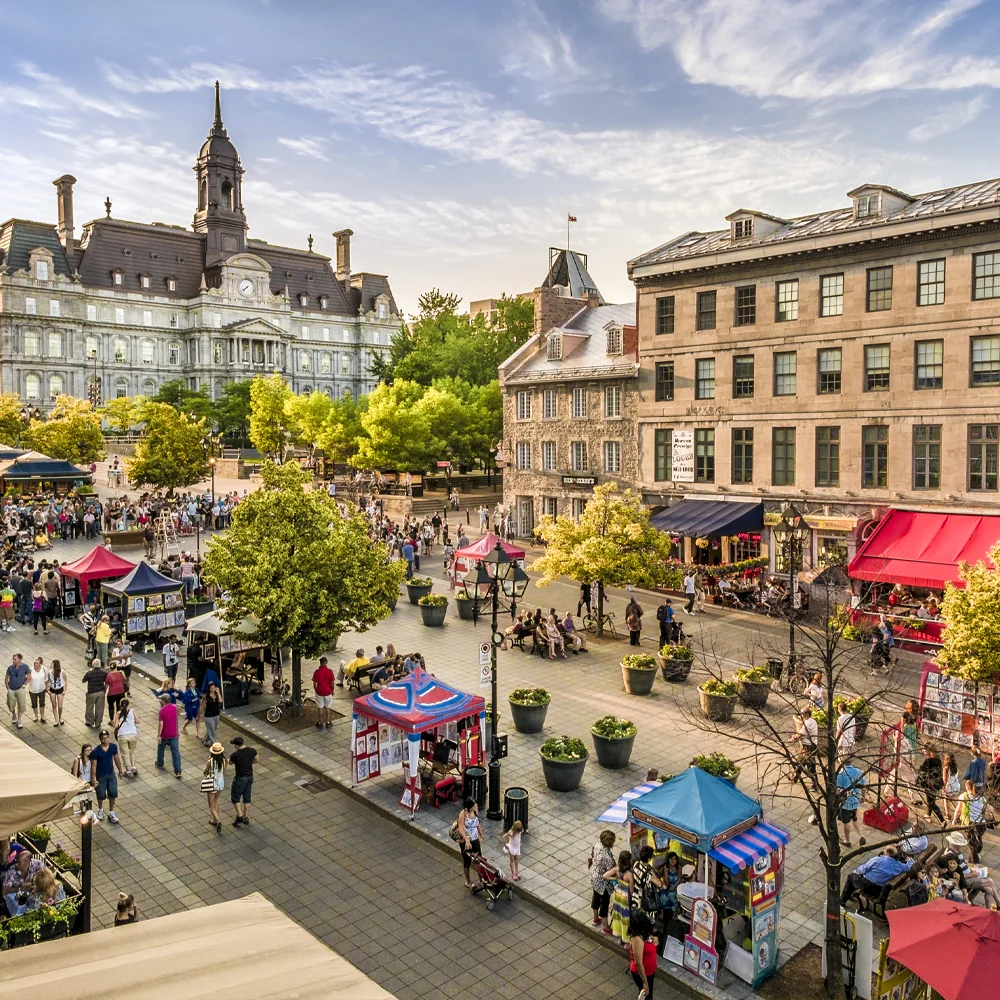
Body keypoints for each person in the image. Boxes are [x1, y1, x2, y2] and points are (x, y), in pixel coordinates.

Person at [840, 846, 912, 907]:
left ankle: (843, 899)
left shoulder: (877, 860)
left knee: (851, 877)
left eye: (885, 850)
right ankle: (848, 894)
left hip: (867, 885)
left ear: (888, 853)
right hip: (879, 890)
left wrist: (855, 871)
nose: (883, 850)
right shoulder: (899, 865)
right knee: (855, 878)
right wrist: (909, 860)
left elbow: (864, 868)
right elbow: (910, 866)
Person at [91, 728, 124, 824]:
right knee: (101, 795)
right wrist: (94, 779)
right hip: (100, 776)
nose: (105, 740)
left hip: (111, 774)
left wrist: (120, 771)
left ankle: (111, 812)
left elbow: (116, 758)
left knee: (113, 793)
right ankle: (100, 810)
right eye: (103, 738)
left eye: (106, 738)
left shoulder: (113, 747)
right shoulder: (96, 751)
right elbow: (94, 765)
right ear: (100, 739)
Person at [952, 779, 990, 862]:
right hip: (981, 824)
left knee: (971, 845)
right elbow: (986, 812)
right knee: (978, 838)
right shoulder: (983, 799)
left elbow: (958, 809)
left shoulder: (964, 796)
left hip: (970, 823)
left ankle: (974, 863)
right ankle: (978, 852)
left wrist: (954, 819)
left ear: (970, 787)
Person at [602, 851, 634, 946]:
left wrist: (616, 879)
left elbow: (605, 876)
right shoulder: (629, 875)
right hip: (626, 899)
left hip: (618, 897)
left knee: (619, 916)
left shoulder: (616, 869)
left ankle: (620, 938)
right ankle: (626, 941)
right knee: (626, 919)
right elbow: (631, 890)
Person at [836, 756, 867, 848]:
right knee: (854, 817)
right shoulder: (858, 771)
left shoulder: (841, 774)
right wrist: (863, 797)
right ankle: (861, 835)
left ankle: (847, 840)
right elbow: (863, 786)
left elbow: (838, 789)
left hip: (845, 802)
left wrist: (837, 800)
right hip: (856, 799)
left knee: (846, 822)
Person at [627, 909, 659, 1000]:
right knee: (647, 996)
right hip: (643, 974)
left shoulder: (643, 933)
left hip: (650, 972)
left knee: (648, 996)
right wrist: (645, 983)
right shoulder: (637, 939)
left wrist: (655, 939)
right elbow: (638, 963)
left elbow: (651, 939)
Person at [589, 829, 616, 932]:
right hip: (603, 882)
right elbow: (612, 869)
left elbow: (591, 854)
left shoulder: (596, 845)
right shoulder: (607, 855)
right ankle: (605, 926)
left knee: (595, 897)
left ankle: (596, 919)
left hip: (594, 876)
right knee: (604, 903)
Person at [229, 736, 257, 827]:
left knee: (235, 797)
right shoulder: (252, 750)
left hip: (240, 778)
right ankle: (246, 816)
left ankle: (240, 815)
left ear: (236, 745)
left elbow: (230, 763)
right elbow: (257, 760)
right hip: (250, 776)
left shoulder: (235, 755)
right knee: (247, 796)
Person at [457, 797, 483, 889]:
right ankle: (468, 881)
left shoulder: (475, 811)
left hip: (475, 840)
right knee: (467, 861)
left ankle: (481, 879)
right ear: (470, 807)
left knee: (479, 860)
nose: (476, 805)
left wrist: (481, 835)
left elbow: (477, 823)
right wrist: (466, 839)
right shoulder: (463, 814)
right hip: (466, 842)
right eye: (474, 804)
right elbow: (460, 828)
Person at [155, 693, 182, 778]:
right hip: (174, 733)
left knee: (161, 748)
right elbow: (176, 719)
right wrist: (178, 729)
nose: (160, 701)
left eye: (161, 700)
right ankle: (178, 771)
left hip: (164, 734)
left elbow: (161, 724)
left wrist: (159, 735)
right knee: (175, 752)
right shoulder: (175, 708)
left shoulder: (162, 710)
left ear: (164, 701)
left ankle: (160, 763)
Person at [792, 706, 819, 790]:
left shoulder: (807, 723)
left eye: (802, 713)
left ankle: (815, 784)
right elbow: (802, 731)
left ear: (807, 714)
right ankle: (796, 777)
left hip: (808, 747)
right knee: (800, 762)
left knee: (810, 766)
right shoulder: (812, 721)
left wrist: (793, 738)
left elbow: (802, 734)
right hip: (811, 745)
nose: (800, 715)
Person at [918, 746, 946, 823]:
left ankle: (943, 821)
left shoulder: (928, 760)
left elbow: (922, 770)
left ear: (928, 750)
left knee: (931, 803)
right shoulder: (938, 758)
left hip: (930, 784)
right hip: (938, 783)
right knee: (930, 800)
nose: (923, 751)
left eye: (924, 749)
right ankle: (928, 815)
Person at [204, 742, 227, 834]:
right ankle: (215, 820)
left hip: (212, 783)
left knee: (211, 805)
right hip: (220, 783)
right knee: (215, 801)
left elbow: (205, 771)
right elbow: (224, 773)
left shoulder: (210, 761)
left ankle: (218, 821)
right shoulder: (225, 761)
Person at [113, 697, 139, 778]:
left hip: (122, 735)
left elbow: (116, 725)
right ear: (128, 704)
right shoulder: (132, 711)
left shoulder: (118, 713)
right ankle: (134, 767)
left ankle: (128, 770)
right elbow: (138, 721)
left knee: (125, 754)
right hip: (133, 734)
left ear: (120, 705)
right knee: (132, 751)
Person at [82, 657, 108, 729]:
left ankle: (89, 721)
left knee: (89, 707)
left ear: (93, 665)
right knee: (99, 708)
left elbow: (83, 680)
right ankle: (98, 723)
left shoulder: (89, 673)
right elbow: (107, 682)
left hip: (91, 692)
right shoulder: (104, 672)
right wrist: (105, 689)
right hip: (101, 692)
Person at [5, 653, 29, 730]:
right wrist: (7, 687)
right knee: (10, 704)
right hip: (11, 689)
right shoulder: (10, 668)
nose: (13, 661)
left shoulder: (25, 667)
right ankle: (14, 715)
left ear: (19, 659)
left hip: (20, 689)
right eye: (13, 659)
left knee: (21, 705)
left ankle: (19, 720)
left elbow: (29, 677)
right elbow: (6, 678)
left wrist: (24, 685)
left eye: (15, 659)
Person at [312, 655, 335, 730]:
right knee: (328, 707)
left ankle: (320, 723)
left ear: (320, 663)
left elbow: (314, 683)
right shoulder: (330, 671)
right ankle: (328, 722)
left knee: (320, 707)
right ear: (326, 663)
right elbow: (332, 683)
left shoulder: (317, 672)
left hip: (319, 692)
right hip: (328, 692)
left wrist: (316, 690)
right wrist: (332, 690)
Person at [27, 656, 49, 724]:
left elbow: (46, 679)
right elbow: (27, 678)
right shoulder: (30, 670)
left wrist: (47, 687)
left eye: (37, 663)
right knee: (34, 704)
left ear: (40, 664)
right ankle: (36, 716)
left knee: (42, 703)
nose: (35, 664)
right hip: (32, 690)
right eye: (35, 663)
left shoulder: (44, 669)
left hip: (41, 689)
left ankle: (42, 716)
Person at [201, 681, 222, 748]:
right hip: (209, 716)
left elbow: (220, 701)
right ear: (209, 689)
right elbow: (202, 707)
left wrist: (218, 692)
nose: (213, 689)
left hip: (216, 714)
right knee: (212, 731)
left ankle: (204, 740)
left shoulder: (216, 694)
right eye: (211, 688)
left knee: (213, 729)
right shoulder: (206, 697)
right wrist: (198, 715)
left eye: (214, 688)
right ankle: (214, 745)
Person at [48, 659, 65, 726]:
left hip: (60, 689)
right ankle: (56, 719)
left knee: (60, 706)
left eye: (52, 664)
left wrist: (65, 690)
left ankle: (60, 718)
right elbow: (49, 681)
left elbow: (66, 681)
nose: (51, 665)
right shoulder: (50, 672)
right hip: (52, 689)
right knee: (54, 705)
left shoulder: (62, 672)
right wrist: (48, 689)